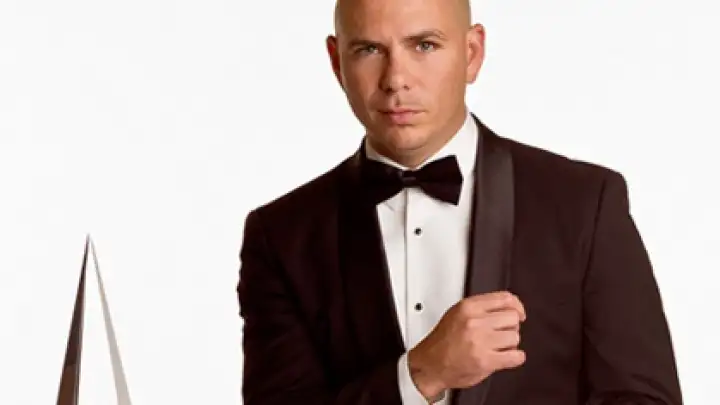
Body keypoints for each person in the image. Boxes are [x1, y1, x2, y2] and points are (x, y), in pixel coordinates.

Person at [236, 0, 683, 403]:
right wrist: (421, 374)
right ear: (337, 62)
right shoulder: (281, 237)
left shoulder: (583, 204)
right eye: (369, 50)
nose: (396, 79)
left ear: (472, 53)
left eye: (424, 46)